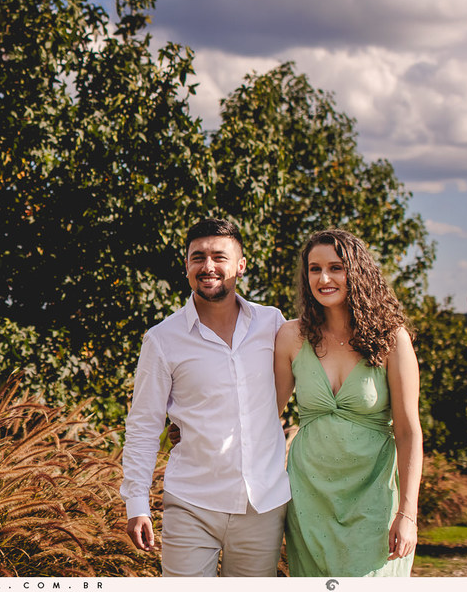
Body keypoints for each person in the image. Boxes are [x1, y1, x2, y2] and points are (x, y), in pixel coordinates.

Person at [121, 218, 290, 576]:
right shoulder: (162, 339)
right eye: (198, 257)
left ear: (240, 266)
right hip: (191, 502)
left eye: (219, 256)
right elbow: (144, 424)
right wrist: (136, 502)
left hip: (263, 503)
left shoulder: (273, 324)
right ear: (186, 266)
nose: (208, 266)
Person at [274, 228, 423, 577]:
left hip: (374, 496)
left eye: (335, 267)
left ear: (356, 271)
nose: (323, 278)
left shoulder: (393, 339)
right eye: (314, 269)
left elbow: (408, 431)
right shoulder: (291, 337)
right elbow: (262, 415)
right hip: (309, 495)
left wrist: (408, 513)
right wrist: (193, 428)